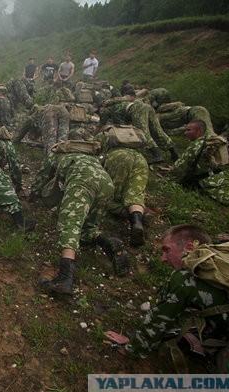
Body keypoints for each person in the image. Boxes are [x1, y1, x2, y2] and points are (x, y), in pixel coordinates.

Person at [121, 225, 229, 364]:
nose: (163, 259)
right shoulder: (221, 261)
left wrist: (133, 348)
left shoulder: (186, 278)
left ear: (190, 248)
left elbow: (159, 320)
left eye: (167, 250)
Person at [32, 128, 130, 298]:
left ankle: (65, 278)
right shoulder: (92, 157)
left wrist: (32, 194)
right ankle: (107, 242)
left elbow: (42, 176)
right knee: (86, 226)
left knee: (69, 223)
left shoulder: (60, 153)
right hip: (106, 183)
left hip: (82, 181)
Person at [170, 120, 229, 217]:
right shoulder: (210, 139)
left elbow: (180, 166)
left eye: (188, 130)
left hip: (213, 182)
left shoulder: (196, 145)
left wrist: (168, 176)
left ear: (199, 131)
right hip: (223, 175)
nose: (185, 133)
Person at [95, 128, 149, 246]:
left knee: (112, 194)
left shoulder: (103, 135)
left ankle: (124, 212)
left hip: (118, 157)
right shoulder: (131, 134)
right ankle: (137, 221)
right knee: (135, 193)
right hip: (140, 159)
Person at [99, 89, 179, 163]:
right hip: (147, 107)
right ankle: (173, 151)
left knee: (142, 133)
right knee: (157, 130)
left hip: (137, 110)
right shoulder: (119, 103)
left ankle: (156, 155)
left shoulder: (110, 109)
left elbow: (121, 127)